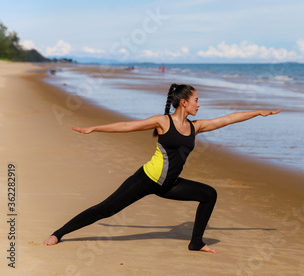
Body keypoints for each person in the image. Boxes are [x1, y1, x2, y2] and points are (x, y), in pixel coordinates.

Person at [43, 83, 281, 253]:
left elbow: (227, 119)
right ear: (184, 102)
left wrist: (258, 113)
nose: (199, 104)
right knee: (106, 209)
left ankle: (196, 242)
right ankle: (59, 233)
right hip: (145, 179)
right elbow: (128, 125)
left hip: (169, 185)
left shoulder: (196, 126)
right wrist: (94, 128)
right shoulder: (163, 121)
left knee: (209, 194)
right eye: (196, 100)